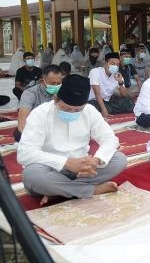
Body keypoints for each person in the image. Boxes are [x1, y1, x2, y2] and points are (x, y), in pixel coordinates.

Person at [17, 75, 127, 205]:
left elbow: (110, 139)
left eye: (77, 110)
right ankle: (91, 190)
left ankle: (59, 192)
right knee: (32, 175)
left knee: (119, 159)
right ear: (56, 99)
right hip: (51, 169)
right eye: (66, 109)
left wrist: (96, 160)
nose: (71, 112)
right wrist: (66, 163)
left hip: (83, 171)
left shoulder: (89, 111)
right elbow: (25, 153)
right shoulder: (40, 113)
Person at [14, 64, 63, 142]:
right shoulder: (30, 93)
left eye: (58, 83)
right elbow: (23, 118)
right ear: (42, 81)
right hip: (37, 127)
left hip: (56, 126)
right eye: (52, 83)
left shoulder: (63, 91)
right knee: (19, 134)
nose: (56, 86)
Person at [88, 52, 134, 118]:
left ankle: (107, 109)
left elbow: (124, 95)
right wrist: (104, 110)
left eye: (117, 65)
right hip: (95, 101)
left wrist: (120, 82)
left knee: (129, 103)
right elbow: (97, 94)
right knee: (91, 107)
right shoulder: (95, 72)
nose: (115, 66)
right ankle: (106, 109)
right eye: (112, 64)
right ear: (105, 63)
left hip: (108, 101)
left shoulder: (117, 75)